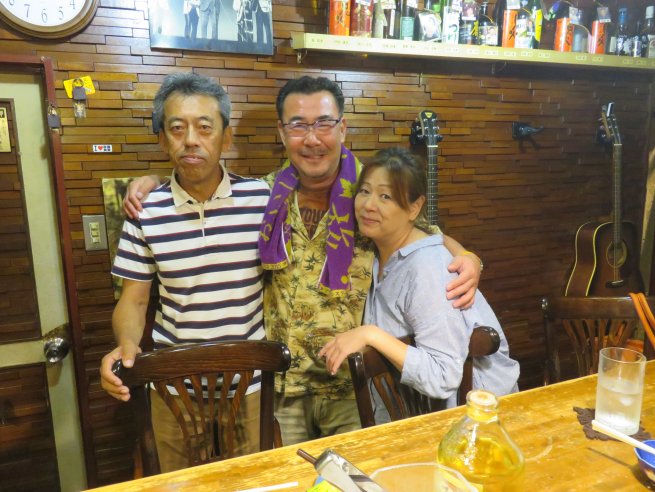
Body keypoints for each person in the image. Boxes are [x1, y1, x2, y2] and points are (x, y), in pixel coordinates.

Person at [121, 76, 484, 446]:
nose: (312, 139)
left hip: (351, 387)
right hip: (281, 389)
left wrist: (468, 257)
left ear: (342, 127)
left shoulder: (370, 193)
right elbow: (204, 186)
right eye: (298, 125)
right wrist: (155, 182)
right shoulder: (263, 195)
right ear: (282, 132)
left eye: (324, 123)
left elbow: (421, 234)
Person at [99, 72, 271, 472]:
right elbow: (134, 300)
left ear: (226, 138)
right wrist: (126, 345)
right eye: (177, 128)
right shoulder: (146, 211)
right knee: (176, 482)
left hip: (250, 383)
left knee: (255, 479)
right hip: (172, 385)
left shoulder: (261, 199)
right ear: (163, 140)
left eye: (204, 127)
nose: (191, 140)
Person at [318, 148, 519, 423]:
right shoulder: (376, 251)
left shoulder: (427, 268)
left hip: (475, 423)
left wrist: (370, 334)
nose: (368, 205)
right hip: (415, 418)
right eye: (364, 191)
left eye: (385, 196)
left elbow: (443, 375)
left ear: (414, 207)